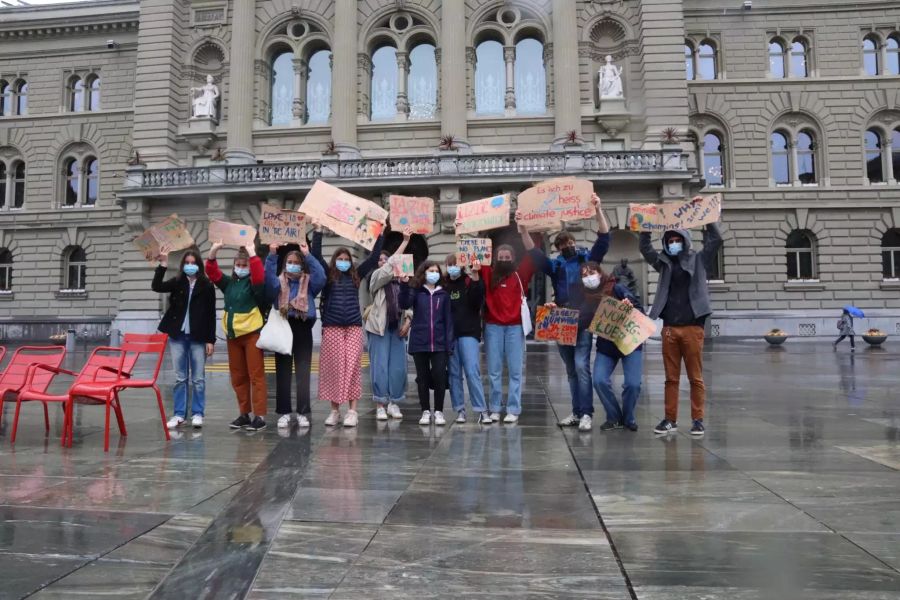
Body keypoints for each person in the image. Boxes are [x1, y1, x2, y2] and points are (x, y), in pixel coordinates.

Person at [523, 194, 610, 429]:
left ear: (574, 242)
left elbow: (603, 239)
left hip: (582, 320)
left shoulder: (587, 261)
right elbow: (535, 256)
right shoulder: (557, 265)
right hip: (562, 321)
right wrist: (523, 231)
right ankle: (576, 411)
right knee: (571, 370)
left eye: (569, 242)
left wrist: (598, 209)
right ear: (558, 248)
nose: (567, 246)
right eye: (562, 244)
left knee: (582, 367)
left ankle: (587, 414)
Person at [639, 213, 722, 436]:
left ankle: (698, 419)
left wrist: (707, 217)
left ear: (684, 240)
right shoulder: (664, 263)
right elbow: (646, 249)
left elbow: (715, 240)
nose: (673, 244)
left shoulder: (699, 259)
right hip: (670, 328)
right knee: (671, 378)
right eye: (669, 241)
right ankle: (669, 419)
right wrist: (646, 225)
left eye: (677, 240)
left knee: (695, 377)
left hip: (693, 327)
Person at [311, 224, 383, 427]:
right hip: (332, 327)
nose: (343, 262)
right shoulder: (328, 275)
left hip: (353, 327)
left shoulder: (356, 275)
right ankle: (334, 411)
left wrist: (380, 234)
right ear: (335, 262)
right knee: (334, 368)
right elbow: (316, 255)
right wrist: (317, 231)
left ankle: (352, 411)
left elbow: (374, 257)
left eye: (346, 260)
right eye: (340, 259)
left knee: (352, 367)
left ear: (350, 262)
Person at [151, 246, 216, 429]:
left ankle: (197, 413)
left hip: (198, 337)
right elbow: (157, 286)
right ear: (182, 265)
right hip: (178, 336)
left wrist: (210, 340)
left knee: (198, 378)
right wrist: (163, 264)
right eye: (187, 263)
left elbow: (211, 314)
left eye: (193, 263)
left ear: (199, 265)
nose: (190, 266)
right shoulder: (178, 281)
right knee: (180, 378)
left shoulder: (207, 285)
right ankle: (179, 414)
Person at [206, 241, 269, 431]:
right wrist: (213, 250)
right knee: (238, 377)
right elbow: (212, 272)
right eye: (238, 265)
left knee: (256, 376)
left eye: (244, 266)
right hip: (233, 337)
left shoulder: (254, 284)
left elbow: (259, 276)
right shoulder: (229, 284)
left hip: (251, 335)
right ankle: (244, 414)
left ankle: (260, 416)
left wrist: (252, 254)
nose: (241, 268)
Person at [479, 218, 536, 424]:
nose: (503, 259)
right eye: (500, 257)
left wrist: (524, 230)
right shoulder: (487, 273)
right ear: (495, 259)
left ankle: (513, 408)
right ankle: (495, 408)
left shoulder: (520, 274)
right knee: (493, 371)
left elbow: (533, 254)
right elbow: (474, 252)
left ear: (512, 258)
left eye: (507, 257)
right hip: (493, 327)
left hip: (514, 328)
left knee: (515, 371)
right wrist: (475, 229)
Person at [264, 240, 326, 430]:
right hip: (283, 326)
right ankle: (283, 412)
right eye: (289, 261)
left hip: (302, 327)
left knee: (303, 372)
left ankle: (302, 412)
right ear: (284, 264)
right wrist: (272, 255)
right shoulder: (279, 281)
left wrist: (307, 254)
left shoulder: (309, 282)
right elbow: (267, 281)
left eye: (296, 262)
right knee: (282, 372)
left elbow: (322, 276)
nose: (293, 264)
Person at [582, 261, 645, 432]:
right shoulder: (584, 298)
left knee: (633, 384)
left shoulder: (616, 288)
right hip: (607, 345)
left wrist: (629, 306)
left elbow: (639, 309)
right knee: (599, 380)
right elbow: (577, 317)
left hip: (629, 341)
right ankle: (614, 416)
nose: (589, 277)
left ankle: (629, 417)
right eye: (585, 275)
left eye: (591, 273)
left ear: (600, 273)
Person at [364, 227, 413, 422]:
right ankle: (380, 404)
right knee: (380, 366)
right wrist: (404, 242)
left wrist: (408, 321)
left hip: (398, 328)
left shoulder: (400, 281)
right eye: (381, 260)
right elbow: (388, 267)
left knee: (398, 368)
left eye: (387, 259)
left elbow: (409, 303)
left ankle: (394, 402)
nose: (385, 262)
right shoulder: (376, 279)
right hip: (379, 327)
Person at [399, 261, 454, 426]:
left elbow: (448, 320)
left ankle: (438, 411)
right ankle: (425, 411)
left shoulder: (443, 294)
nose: (434, 273)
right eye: (431, 270)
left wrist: (449, 345)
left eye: (436, 271)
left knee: (439, 377)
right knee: (422, 379)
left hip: (439, 344)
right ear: (424, 273)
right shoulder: (416, 292)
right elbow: (404, 304)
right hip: (420, 342)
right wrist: (403, 285)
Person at [444, 255, 491, 425]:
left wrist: (476, 276)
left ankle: (481, 409)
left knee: (472, 372)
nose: (452, 267)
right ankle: (460, 410)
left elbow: (477, 301)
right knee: (454, 374)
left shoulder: (469, 281)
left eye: (455, 264)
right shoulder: (444, 286)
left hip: (468, 333)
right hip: (450, 336)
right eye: (449, 265)